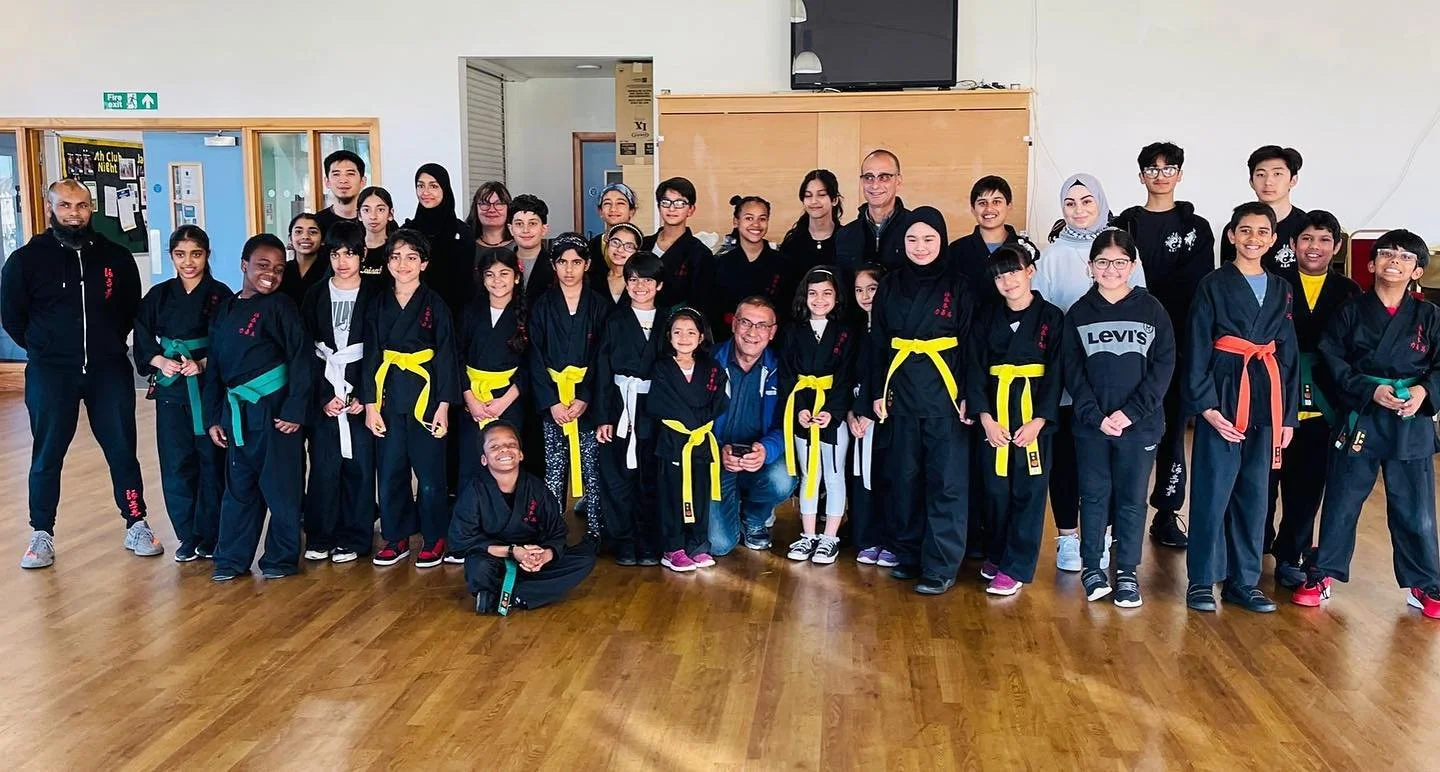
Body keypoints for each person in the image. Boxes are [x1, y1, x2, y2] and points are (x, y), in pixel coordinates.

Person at [3, 179, 156, 568]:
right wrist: (48, 348)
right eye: (66, 205)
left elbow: (128, 312)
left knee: (122, 450)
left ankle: (136, 522)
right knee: (47, 454)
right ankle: (41, 533)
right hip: (52, 373)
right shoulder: (25, 260)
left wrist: (103, 345)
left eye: (82, 206)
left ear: (92, 209)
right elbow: (13, 319)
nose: (75, 213)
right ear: (50, 207)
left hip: (108, 371)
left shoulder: (116, 257)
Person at [1292, 229, 1440, 616]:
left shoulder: (1430, 316)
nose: (1395, 261)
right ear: (1371, 264)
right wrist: (1367, 391)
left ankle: (1425, 583)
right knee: (1343, 499)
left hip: (1411, 416)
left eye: (1406, 257)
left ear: (1417, 271)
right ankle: (1322, 572)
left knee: (1415, 506)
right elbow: (1331, 360)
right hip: (1362, 413)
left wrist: (1424, 394)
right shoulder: (1350, 311)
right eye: (1387, 254)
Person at [1184, 202, 1298, 613]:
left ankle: (1244, 581)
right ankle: (1201, 579)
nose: (1253, 239)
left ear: (1273, 239)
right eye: (1245, 231)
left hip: (1266, 392)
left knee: (1255, 493)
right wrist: (1207, 406)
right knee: (1213, 490)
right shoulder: (1212, 284)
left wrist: (1287, 417)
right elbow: (1196, 346)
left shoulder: (1283, 288)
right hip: (1225, 389)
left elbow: (1288, 354)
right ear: (1231, 235)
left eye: (1262, 232)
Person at [1033, 174, 1145, 572]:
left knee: (1111, 457)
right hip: (1066, 379)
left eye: (1087, 201)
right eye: (1070, 203)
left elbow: (1140, 310)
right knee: (1065, 460)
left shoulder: (1121, 249)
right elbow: (1041, 316)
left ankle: (1109, 531)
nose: (1079, 210)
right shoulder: (1051, 255)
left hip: (1113, 380)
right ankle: (1067, 537)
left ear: (1101, 202)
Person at [1061, 230, 1176, 607]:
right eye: (1103, 262)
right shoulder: (1079, 312)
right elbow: (1073, 372)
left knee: (1131, 500)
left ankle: (1126, 570)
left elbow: (1162, 369)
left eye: (1120, 262)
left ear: (1133, 266)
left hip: (1138, 426)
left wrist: (1129, 413)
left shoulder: (1153, 310)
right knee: (1093, 496)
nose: (1111, 269)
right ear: (1090, 266)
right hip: (1092, 428)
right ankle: (1092, 567)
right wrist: (1096, 416)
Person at [1111, 143, 1215, 549]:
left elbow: (1194, 285)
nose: (1160, 175)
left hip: (1175, 343)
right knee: (1122, 426)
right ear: (1141, 176)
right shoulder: (1125, 225)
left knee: (1171, 431)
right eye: (1151, 169)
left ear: (1180, 173)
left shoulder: (1196, 228)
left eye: (1168, 167)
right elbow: (1112, 275)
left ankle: (1168, 513)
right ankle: (1121, 513)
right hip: (1125, 343)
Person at [870, 206, 976, 595]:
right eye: (912, 239)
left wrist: (970, 396)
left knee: (946, 481)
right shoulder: (890, 284)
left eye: (929, 238)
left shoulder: (960, 285)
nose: (920, 246)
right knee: (905, 478)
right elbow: (878, 342)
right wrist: (876, 393)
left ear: (942, 240)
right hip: (901, 393)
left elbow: (972, 346)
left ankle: (941, 563)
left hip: (946, 395)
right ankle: (909, 553)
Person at [202, 234, 312, 580]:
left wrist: (295, 409)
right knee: (239, 488)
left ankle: (279, 559)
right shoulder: (226, 310)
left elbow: (301, 359)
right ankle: (231, 559)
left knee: (282, 490)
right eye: (263, 265)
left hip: (275, 411)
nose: (271, 274)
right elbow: (216, 368)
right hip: (237, 413)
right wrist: (214, 416)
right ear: (243, 265)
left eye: (279, 268)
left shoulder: (282, 307)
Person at [1267, 211, 1360, 588]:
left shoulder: (1349, 292)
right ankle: (1251, 545)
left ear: (1337, 247)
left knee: (1307, 482)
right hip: (1272, 393)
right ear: (1292, 245)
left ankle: (1292, 553)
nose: (1314, 247)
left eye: (1324, 240)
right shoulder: (1275, 283)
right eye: (1306, 238)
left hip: (1324, 398)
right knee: (1263, 477)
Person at [132, 225, 233, 561]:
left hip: (208, 387)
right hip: (171, 389)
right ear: (171, 256)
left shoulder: (220, 295)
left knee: (211, 460)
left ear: (207, 255)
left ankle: (212, 534)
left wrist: (203, 363)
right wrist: (160, 360)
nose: (188, 262)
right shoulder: (159, 296)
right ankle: (187, 535)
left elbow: (229, 341)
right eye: (180, 255)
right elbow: (143, 334)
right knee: (176, 462)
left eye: (196, 254)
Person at [968, 245, 1063, 596]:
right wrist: (985, 419)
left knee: (1029, 490)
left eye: (1013, 271)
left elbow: (1057, 373)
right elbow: (975, 368)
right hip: (996, 413)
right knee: (994, 489)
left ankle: (1017, 566)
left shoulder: (1052, 318)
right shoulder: (985, 317)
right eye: (999, 275)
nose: (1007, 280)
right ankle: (996, 553)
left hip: (1032, 417)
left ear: (1031, 271)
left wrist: (1040, 420)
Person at [363, 229, 460, 569]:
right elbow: (372, 356)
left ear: (424, 263)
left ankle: (435, 536)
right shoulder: (378, 304)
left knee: (431, 473)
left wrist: (445, 407)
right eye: (395, 257)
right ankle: (397, 535)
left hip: (427, 398)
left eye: (411, 257)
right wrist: (371, 406)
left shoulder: (436, 305)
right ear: (387, 263)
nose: (403, 264)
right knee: (390, 470)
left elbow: (447, 357)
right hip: (389, 396)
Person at [448, 421, 596, 615]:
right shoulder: (474, 492)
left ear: (521, 454)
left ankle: (507, 594)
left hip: (533, 558)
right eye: (494, 446)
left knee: (585, 558)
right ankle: (522, 593)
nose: (504, 450)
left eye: (511, 444)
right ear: (484, 459)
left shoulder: (537, 489)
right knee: (478, 567)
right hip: (497, 558)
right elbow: (461, 542)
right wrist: (511, 551)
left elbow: (557, 531)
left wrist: (545, 555)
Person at [299, 221, 377, 564]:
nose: (342, 261)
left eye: (349, 253)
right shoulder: (315, 293)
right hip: (326, 387)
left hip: (360, 390)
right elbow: (306, 349)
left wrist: (364, 395)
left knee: (359, 466)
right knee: (324, 467)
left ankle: (356, 537)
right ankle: (320, 535)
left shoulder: (375, 293)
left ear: (362, 254)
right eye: (335, 254)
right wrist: (322, 397)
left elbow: (380, 349)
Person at [528, 233, 609, 540]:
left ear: (587, 264)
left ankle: (597, 532)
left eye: (577, 262)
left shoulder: (599, 306)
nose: (570, 269)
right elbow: (534, 354)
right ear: (553, 265)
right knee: (554, 468)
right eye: (563, 262)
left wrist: (585, 397)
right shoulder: (542, 306)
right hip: (555, 400)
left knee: (592, 465)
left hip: (585, 400)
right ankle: (552, 531)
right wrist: (552, 401)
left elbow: (603, 355)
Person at [778, 266, 857, 564]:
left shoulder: (846, 332)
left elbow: (847, 375)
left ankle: (830, 536)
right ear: (803, 296)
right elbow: (786, 374)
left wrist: (832, 412)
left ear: (837, 297)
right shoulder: (792, 331)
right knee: (809, 473)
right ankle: (808, 534)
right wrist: (798, 408)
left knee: (834, 474)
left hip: (831, 412)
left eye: (827, 293)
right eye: (813, 293)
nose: (819, 299)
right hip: (802, 409)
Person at [708, 297, 796, 555]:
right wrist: (717, 449)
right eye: (746, 323)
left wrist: (766, 450)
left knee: (783, 479)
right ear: (734, 324)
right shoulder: (708, 362)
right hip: (717, 458)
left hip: (760, 458)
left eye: (761, 325)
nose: (752, 332)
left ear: (773, 331)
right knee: (719, 545)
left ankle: (754, 518)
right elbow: (691, 420)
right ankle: (732, 504)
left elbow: (787, 423)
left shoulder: (782, 368)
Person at [595, 252, 665, 566]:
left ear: (659, 285)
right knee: (618, 477)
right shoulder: (615, 320)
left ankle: (649, 540)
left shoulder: (669, 321)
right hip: (620, 407)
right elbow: (601, 371)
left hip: (655, 408)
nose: (639, 286)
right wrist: (603, 417)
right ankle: (622, 539)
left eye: (647, 279)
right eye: (633, 279)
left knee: (650, 477)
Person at [648, 307, 729, 571]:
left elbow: (720, 400)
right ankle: (673, 548)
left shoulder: (713, 367)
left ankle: (697, 544)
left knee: (700, 493)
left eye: (691, 332)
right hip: (673, 441)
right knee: (671, 495)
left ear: (702, 336)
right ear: (668, 336)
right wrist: (693, 418)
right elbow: (660, 402)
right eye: (677, 332)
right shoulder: (661, 368)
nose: (684, 337)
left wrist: (699, 420)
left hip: (701, 442)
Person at [458, 247, 529, 477]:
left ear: (516, 277)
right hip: (473, 402)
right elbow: (456, 356)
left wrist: (503, 402)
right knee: (472, 464)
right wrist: (470, 398)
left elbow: (532, 364)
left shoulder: (529, 314)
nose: (497, 280)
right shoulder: (469, 312)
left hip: (509, 400)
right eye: (490, 274)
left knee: (507, 463)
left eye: (504, 273)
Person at [848, 265, 891, 566]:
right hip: (857, 416)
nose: (865, 296)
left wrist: (871, 411)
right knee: (861, 478)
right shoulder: (853, 329)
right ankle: (866, 537)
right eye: (859, 289)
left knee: (890, 477)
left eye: (872, 288)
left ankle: (891, 539)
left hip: (887, 415)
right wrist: (852, 413)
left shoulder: (893, 326)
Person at [949, 175, 1040, 301]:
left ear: (1009, 205)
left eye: (996, 202)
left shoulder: (1025, 249)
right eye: (982, 203)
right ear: (973, 209)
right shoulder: (956, 250)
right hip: (968, 320)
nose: (989, 209)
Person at [403, 163, 477, 313]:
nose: (426, 192)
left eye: (434, 186)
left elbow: (466, 285)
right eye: (420, 186)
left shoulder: (462, 233)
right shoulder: (407, 233)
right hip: (413, 314)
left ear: (445, 189)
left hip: (453, 317)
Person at [709, 195, 787, 336]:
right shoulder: (720, 264)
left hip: (771, 343)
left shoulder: (783, 263)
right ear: (736, 221)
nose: (756, 224)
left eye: (762, 219)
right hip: (727, 341)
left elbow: (787, 310)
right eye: (749, 218)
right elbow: (712, 311)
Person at [1221, 146, 1306, 270]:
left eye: (1277, 174)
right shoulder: (1237, 229)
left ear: (1293, 180)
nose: (1268, 182)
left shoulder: (1306, 227)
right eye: (1261, 174)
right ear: (1251, 182)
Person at [643, 177, 715, 311]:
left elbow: (701, 304)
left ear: (691, 209)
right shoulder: (644, 245)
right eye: (666, 202)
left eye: (680, 203)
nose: (671, 208)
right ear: (659, 207)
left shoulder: (700, 254)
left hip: (677, 326)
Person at [836, 149, 909, 272]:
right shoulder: (845, 235)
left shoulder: (914, 230)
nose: (875, 185)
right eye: (869, 177)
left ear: (898, 181)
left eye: (884, 177)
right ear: (861, 181)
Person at [779, 170, 843, 304]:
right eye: (808, 196)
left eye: (821, 195)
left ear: (834, 200)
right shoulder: (792, 243)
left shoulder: (847, 239)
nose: (814, 201)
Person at [509, 194, 555, 303]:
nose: (526, 230)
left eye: (532, 223)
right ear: (511, 229)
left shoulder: (556, 266)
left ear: (544, 229)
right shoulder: (502, 263)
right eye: (519, 224)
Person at [280, 212, 327, 307]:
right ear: (290, 239)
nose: (305, 237)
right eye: (298, 232)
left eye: (313, 232)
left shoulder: (330, 270)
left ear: (323, 240)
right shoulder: (282, 270)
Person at [315, 150, 365, 237]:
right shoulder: (317, 223)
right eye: (336, 174)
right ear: (327, 182)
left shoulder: (375, 222)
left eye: (350, 174)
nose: (343, 180)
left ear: (362, 181)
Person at [589, 183, 638, 270]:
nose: (613, 209)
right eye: (607, 203)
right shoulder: (591, 247)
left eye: (620, 203)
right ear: (600, 211)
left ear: (632, 211)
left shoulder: (642, 246)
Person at [591, 222, 642, 304]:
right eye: (615, 242)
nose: (620, 250)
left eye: (629, 246)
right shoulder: (593, 279)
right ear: (607, 244)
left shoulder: (643, 282)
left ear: (637, 252)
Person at [357, 186, 397, 277]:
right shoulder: (351, 247)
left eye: (380, 210)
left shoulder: (397, 248)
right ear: (359, 215)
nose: (373, 216)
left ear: (390, 214)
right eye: (366, 210)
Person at [467, 181, 513, 250]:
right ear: (475, 208)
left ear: (508, 207)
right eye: (485, 203)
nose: (491, 210)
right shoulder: (465, 245)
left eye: (498, 204)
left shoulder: (520, 246)